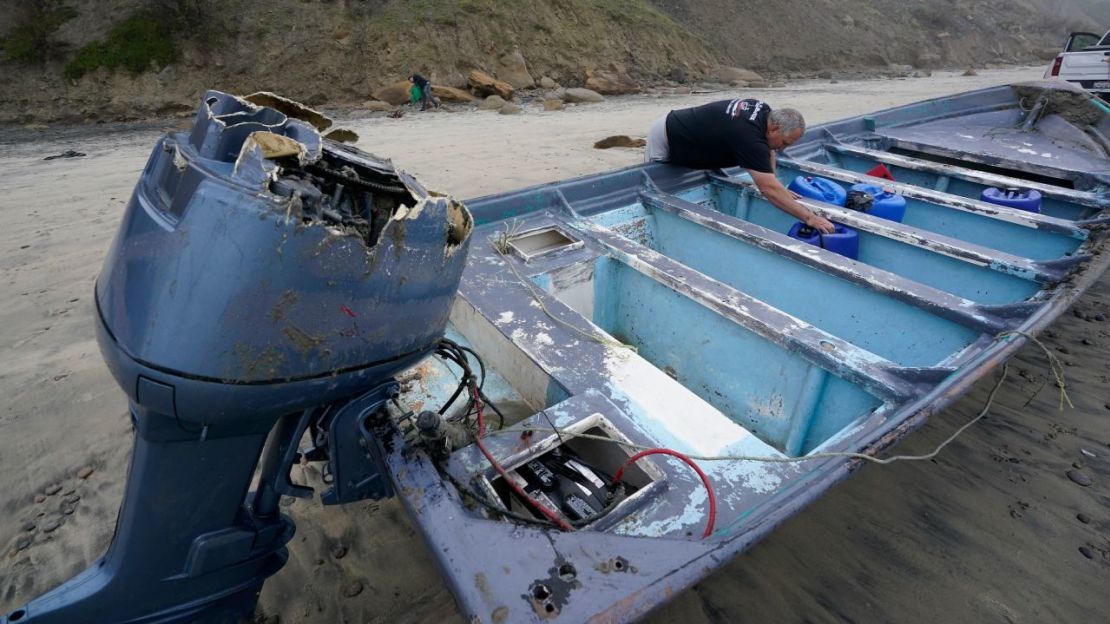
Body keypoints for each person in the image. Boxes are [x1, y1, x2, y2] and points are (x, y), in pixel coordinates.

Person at [646, 98, 835, 233]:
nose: (782, 148)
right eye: (785, 142)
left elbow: (769, 153)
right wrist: (810, 217)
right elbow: (767, 188)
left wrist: (775, 182)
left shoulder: (764, 112)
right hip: (665, 136)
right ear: (775, 128)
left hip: (686, 128)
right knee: (655, 189)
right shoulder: (749, 137)